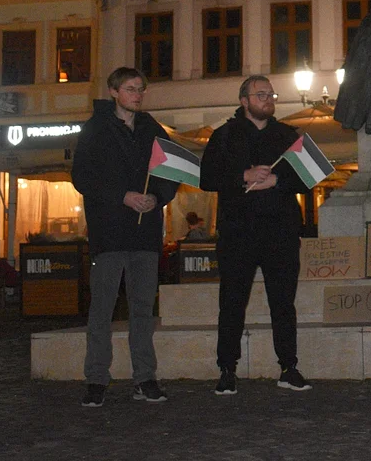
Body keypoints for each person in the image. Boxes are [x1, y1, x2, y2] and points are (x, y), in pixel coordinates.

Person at [72, 67, 179, 408]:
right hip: (109, 233)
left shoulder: (151, 129)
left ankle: (145, 378)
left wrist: (157, 198)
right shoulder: (96, 128)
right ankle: (97, 379)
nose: (137, 94)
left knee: (143, 311)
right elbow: (82, 176)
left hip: (145, 234)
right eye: (131, 89)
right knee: (102, 309)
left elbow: (170, 171)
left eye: (141, 89)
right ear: (115, 91)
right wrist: (122, 196)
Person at [200, 75, 312, 396]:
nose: (268, 99)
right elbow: (207, 177)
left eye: (270, 94)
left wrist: (277, 181)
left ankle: (288, 367)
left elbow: (305, 179)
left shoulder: (287, 136)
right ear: (244, 101)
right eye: (260, 94)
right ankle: (227, 368)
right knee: (233, 301)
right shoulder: (223, 136)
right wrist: (243, 176)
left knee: (283, 303)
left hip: (281, 231)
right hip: (238, 232)